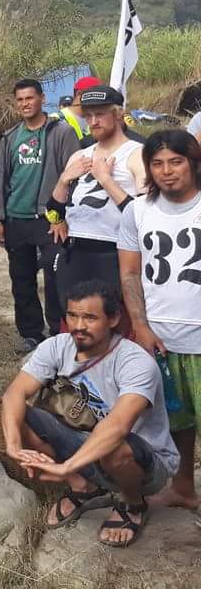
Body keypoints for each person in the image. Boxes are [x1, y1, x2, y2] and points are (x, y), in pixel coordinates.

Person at [1, 280, 179, 547]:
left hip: (144, 460)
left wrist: (64, 466)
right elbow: (13, 394)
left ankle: (133, 504)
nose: (78, 326)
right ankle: (82, 487)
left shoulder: (136, 362)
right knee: (20, 416)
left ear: (114, 318)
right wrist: (14, 447)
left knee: (114, 445)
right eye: (73, 315)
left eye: (90, 317)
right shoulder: (57, 346)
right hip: (83, 444)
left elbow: (118, 426)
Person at [117, 128, 201, 511]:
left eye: (176, 161)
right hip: (161, 338)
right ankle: (184, 487)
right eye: (158, 163)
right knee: (177, 421)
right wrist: (140, 325)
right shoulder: (137, 210)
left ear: (193, 163)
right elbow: (131, 273)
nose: (167, 171)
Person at [0, 78, 81, 353]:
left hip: (49, 218)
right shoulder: (10, 137)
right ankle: (31, 332)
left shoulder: (62, 132)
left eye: (30, 98)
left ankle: (58, 330)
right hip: (17, 217)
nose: (25, 104)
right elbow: (3, 180)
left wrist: (62, 214)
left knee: (56, 277)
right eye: (19, 100)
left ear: (43, 98)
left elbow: (75, 174)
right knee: (21, 279)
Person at [48, 85, 145, 312]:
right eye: (88, 115)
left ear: (118, 113)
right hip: (75, 250)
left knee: (111, 324)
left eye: (100, 114)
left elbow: (144, 216)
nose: (93, 121)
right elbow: (53, 212)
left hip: (115, 252)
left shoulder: (136, 154)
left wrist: (106, 180)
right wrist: (63, 180)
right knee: (73, 321)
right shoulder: (80, 155)